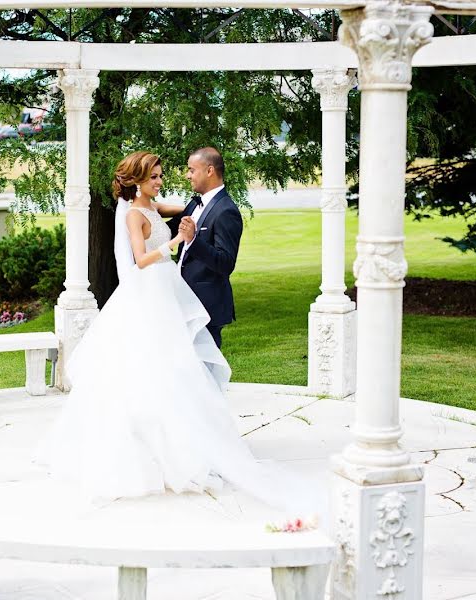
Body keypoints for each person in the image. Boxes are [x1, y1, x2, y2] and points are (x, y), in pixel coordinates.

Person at [36, 151, 320, 520]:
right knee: (159, 371)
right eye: (155, 177)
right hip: (152, 296)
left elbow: (183, 218)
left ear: (209, 171)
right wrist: (173, 242)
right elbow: (139, 259)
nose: (165, 180)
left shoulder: (166, 208)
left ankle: (200, 441)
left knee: (182, 372)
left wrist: (178, 218)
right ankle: (166, 447)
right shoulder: (135, 213)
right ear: (138, 181)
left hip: (171, 297)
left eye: (171, 174)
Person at [168, 147, 243, 349]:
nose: (187, 175)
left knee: (205, 372)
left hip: (206, 305)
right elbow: (166, 232)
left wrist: (194, 241)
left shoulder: (226, 210)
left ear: (209, 171)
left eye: (192, 170)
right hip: (183, 300)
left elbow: (226, 263)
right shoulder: (194, 205)